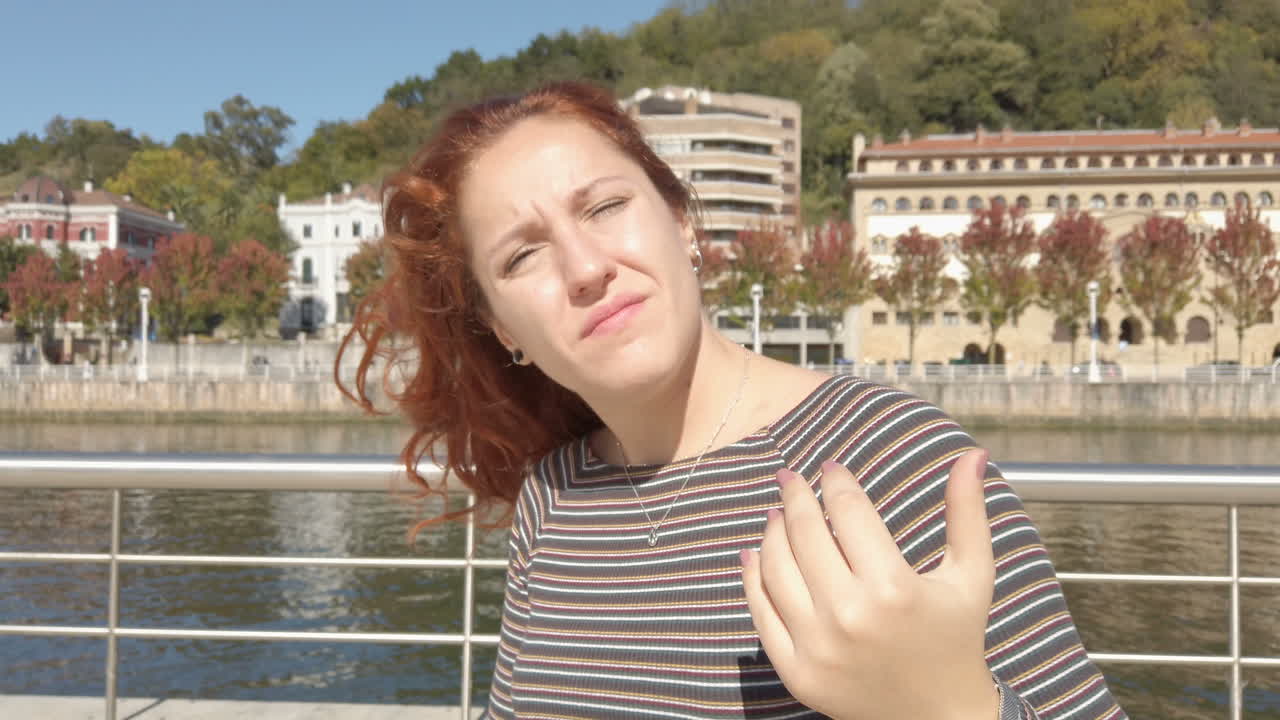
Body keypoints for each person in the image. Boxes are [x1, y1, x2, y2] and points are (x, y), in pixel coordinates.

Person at [337, 82, 1127, 720]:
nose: (584, 267)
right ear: (503, 329)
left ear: (682, 223)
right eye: (522, 256)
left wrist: (952, 709)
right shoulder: (555, 496)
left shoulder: (889, 456)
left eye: (605, 208)